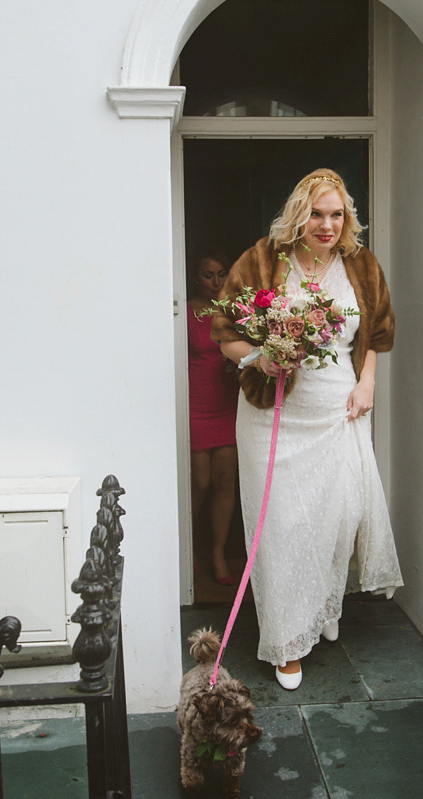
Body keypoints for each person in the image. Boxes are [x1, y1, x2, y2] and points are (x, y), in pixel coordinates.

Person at [212, 168, 403, 690]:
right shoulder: (262, 260)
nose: (326, 224)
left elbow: (379, 333)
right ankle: (287, 640)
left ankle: (323, 607)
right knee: (282, 525)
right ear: (299, 214)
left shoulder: (361, 265)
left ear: (347, 218)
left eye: (336, 214)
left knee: (339, 515)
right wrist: (260, 356)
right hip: (273, 411)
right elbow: (225, 333)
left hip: (339, 408)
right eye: (317, 214)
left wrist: (367, 385)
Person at [187, 247, 240, 586]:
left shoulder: (235, 311)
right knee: (199, 483)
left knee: (224, 482)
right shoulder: (186, 311)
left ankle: (218, 553)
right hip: (194, 405)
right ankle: (189, 548)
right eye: (209, 274)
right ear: (197, 277)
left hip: (227, 403)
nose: (216, 281)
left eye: (221, 274)